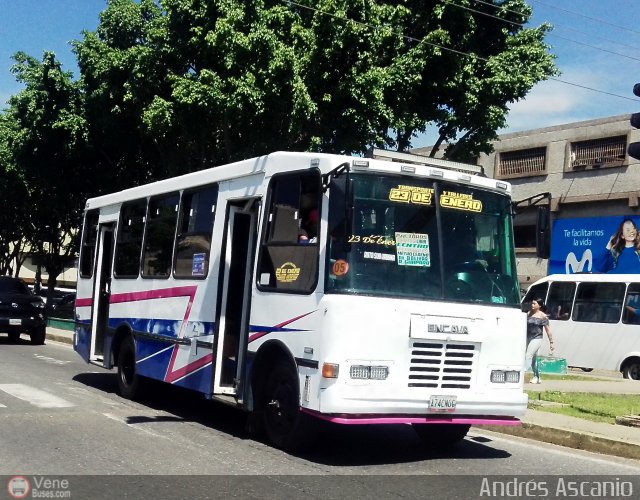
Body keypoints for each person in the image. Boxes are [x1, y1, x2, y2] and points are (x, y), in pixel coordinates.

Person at [525, 298, 554, 384]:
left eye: (534, 304)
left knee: (528, 355)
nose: (532, 305)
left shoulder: (543, 316)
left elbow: (548, 330)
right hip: (528, 337)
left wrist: (551, 343)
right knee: (534, 359)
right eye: (532, 303)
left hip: (537, 338)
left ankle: (524, 373)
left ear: (539, 305)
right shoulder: (528, 314)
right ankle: (536, 377)